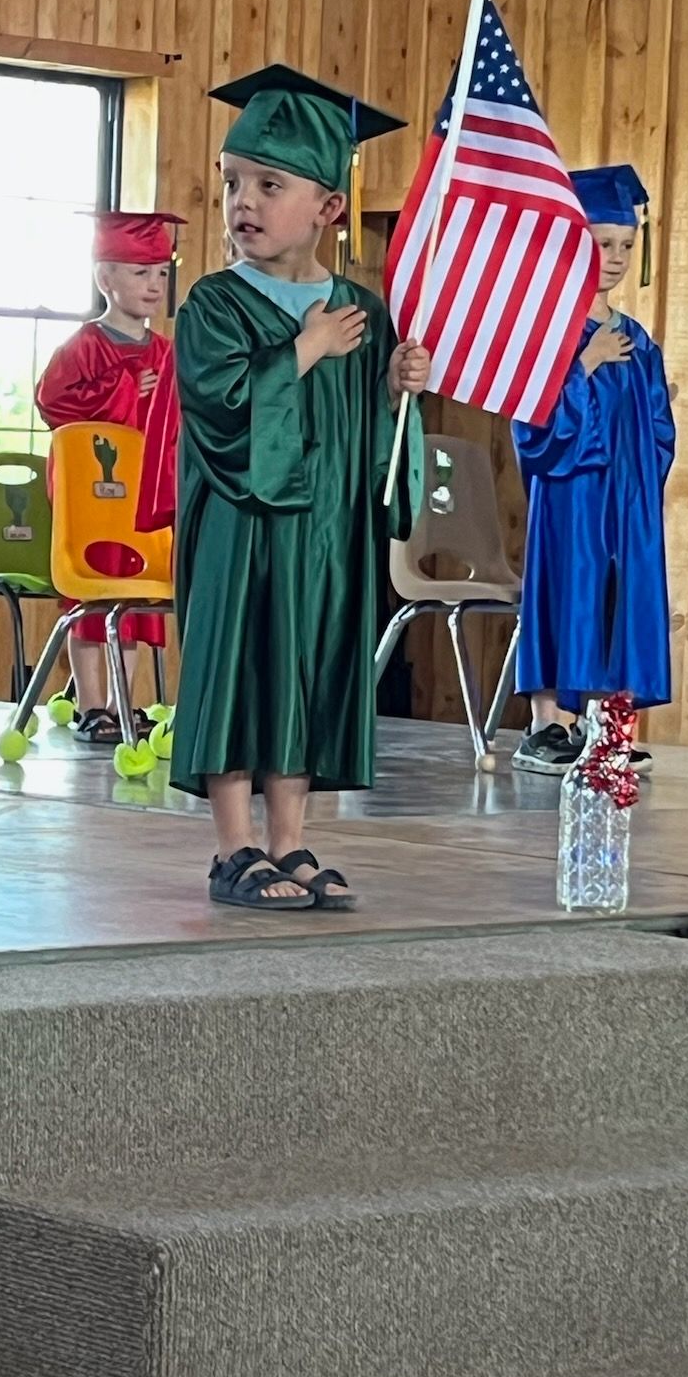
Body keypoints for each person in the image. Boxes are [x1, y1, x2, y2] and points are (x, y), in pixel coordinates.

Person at [170, 65, 428, 910]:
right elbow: (222, 412)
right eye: (231, 182)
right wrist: (305, 350)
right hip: (243, 534)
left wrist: (396, 388)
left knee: (308, 671)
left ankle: (290, 841)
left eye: (268, 184)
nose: (243, 201)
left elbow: (375, 445)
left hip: (324, 535)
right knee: (243, 668)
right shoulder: (213, 304)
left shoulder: (361, 307)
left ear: (327, 209)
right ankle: (232, 847)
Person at [511, 164, 674, 775]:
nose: (615, 257)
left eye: (625, 245)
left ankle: (607, 729)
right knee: (568, 593)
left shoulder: (638, 338)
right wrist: (584, 364)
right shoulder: (550, 331)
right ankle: (547, 725)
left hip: (626, 497)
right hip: (571, 493)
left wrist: (640, 471)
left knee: (620, 597)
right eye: (602, 243)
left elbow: (659, 428)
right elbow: (532, 424)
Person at [34, 210, 180, 743]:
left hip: (144, 498)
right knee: (91, 597)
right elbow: (54, 404)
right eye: (140, 273)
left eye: (161, 273)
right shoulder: (82, 347)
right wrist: (123, 391)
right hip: (92, 495)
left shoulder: (167, 352)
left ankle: (124, 705)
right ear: (105, 279)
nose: (154, 285)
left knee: (138, 600)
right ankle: (91, 706)